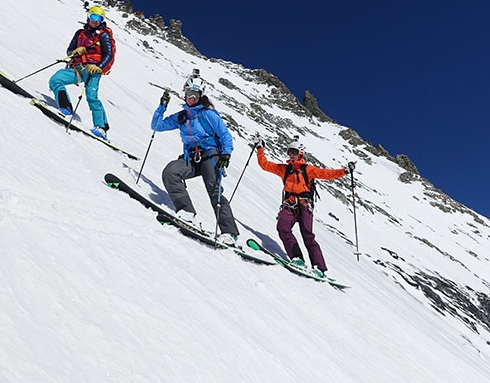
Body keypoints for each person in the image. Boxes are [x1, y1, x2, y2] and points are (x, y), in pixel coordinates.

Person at [151, 77, 239, 245]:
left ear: (201, 96)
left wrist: (226, 154)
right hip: (191, 157)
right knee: (171, 172)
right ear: (184, 94)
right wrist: (162, 107)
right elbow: (157, 126)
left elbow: (225, 135)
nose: (191, 97)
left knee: (214, 189)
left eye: (195, 94)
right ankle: (187, 212)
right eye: (189, 93)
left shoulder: (208, 114)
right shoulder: (181, 116)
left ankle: (229, 232)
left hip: (210, 154)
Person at [255, 137, 355, 278]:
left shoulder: (308, 170)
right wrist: (260, 149)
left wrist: (344, 171)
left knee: (307, 235)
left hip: (304, 204)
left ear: (300, 153)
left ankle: (319, 268)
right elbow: (265, 165)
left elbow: (327, 174)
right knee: (283, 227)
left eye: (294, 151)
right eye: (289, 151)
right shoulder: (284, 169)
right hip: (289, 204)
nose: (291, 154)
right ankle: (297, 258)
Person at [49, 5, 114, 139]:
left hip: (93, 70)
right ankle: (65, 108)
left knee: (91, 97)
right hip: (77, 68)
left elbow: (109, 55)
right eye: (93, 17)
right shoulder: (80, 33)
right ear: (88, 17)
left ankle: (101, 128)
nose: (95, 21)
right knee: (56, 79)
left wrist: (99, 66)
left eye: (99, 18)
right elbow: (69, 51)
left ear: (102, 21)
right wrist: (74, 52)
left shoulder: (104, 36)